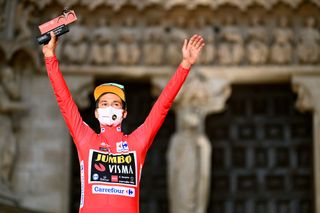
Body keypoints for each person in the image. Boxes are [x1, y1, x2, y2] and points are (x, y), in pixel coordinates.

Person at [42, 31, 204, 213]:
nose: (109, 107)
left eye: (115, 104)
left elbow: (162, 106)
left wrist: (185, 65)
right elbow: (64, 100)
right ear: (96, 113)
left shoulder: (136, 143)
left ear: (124, 113)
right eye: (104, 104)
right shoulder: (86, 138)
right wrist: (50, 57)